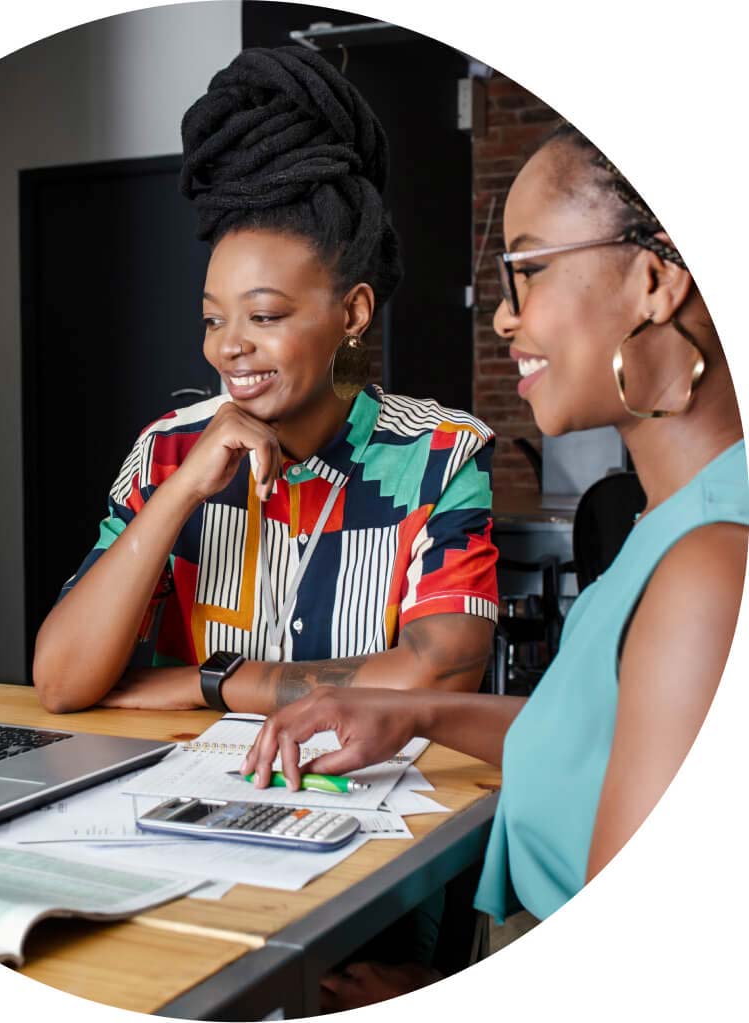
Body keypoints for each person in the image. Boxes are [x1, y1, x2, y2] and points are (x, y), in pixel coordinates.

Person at [240, 121, 748, 1010]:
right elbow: (600, 740)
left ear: (655, 279)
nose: (506, 315)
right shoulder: (673, 524)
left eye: (528, 269)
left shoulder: (710, 568)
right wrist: (412, 713)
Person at [33, 46, 500, 719]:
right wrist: (184, 488)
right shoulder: (167, 452)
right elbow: (59, 681)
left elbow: (440, 672)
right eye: (212, 318)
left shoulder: (439, 454)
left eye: (264, 315)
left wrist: (213, 682)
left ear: (352, 312)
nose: (228, 345)